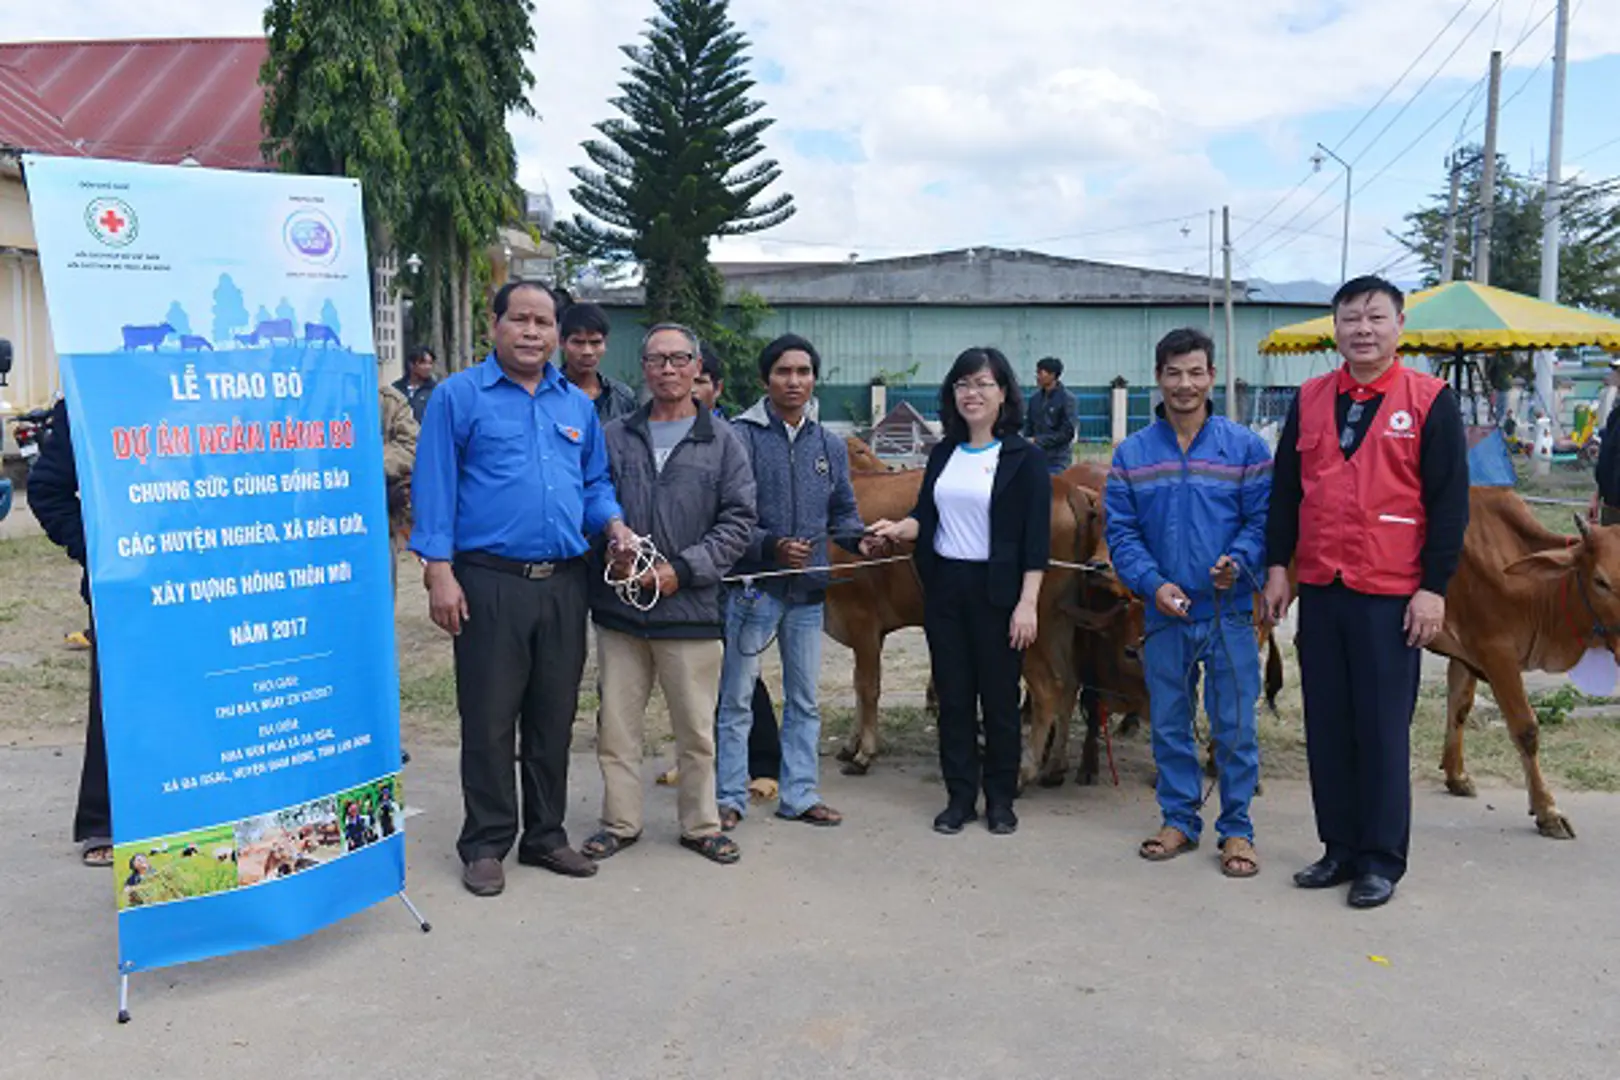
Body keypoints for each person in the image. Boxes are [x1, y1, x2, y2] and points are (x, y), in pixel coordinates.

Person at [410, 280, 637, 897]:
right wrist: (438, 571)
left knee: (553, 717)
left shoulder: (576, 406)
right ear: (496, 325)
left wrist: (613, 524)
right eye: (521, 319)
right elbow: (433, 488)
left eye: (544, 323)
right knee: (488, 718)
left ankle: (545, 836)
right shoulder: (459, 397)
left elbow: (593, 484)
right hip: (489, 581)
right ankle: (486, 842)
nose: (533, 332)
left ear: (557, 334)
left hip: (566, 582)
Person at [1263, 275, 1469, 910]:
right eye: (1350, 318)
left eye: (1376, 317)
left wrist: (1432, 590)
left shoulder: (1429, 399)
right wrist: (1278, 567)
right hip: (1323, 585)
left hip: (1391, 591)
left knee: (1381, 728)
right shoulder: (1312, 397)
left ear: (1399, 326)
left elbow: (1448, 504)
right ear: (1336, 328)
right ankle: (1339, 848)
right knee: (1327, 724)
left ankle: (1381, 859)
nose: (1362, 329)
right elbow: (1286, 491)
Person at [581, 323, 756, 866]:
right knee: (618, 729)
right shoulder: (613, 435)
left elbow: (739, 522)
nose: (668, 369)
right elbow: (593, 499)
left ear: (696, 367)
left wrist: (683, 570)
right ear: (644, 367)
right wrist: (609, 546)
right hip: (621, 611)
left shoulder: (724, 441)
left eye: (679, 359)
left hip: (690, 609)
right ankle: (620, 821)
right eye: (656, 359)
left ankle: (701, 824)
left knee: (696, 731)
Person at [1105, 328, 1272, 878]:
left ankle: (1237, 829)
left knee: (1234, 727)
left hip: (1228, 613)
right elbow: (1123, 534)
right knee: (1170, 724)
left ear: (1212, 377)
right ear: (1159, 377)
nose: (1185, 384)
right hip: (1164, 612)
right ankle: (1178, 818)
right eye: (1174, 373)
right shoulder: (1133, 454)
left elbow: (1261, 521)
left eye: (1196, 372)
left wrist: (1239, 561)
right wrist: (1152, 583)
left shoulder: (1244, 449)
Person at [868, 347, 1050, 835]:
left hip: (1000, 594)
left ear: (1005, 393)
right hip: (946, 589)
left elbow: (1036, 541)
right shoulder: (945, 453)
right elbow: (928, 517)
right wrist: (897, 528)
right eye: (963, 384)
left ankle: (1001, 800)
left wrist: (1027, 603)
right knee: (953, 699)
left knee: (999, 700)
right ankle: (959, 797)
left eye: (983, 384)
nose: (972, 394)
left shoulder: (1024, 458)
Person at [717, 334, 864, 830]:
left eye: (803, 372)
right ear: (765, 380)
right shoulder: (738, 437)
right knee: (737, 696)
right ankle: (728, 797)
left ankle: (799, 794)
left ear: (814, 379)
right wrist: (770, 545)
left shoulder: (829, 445)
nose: (794, 381)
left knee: (804, 699)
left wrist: (864, 541)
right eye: (784, 372)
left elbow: (843, 512)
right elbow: (726, 515)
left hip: (807, 596)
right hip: (753, 588)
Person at [28, 398, 112, 867]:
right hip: (125, 586)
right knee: (114, 703)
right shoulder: (89, 395)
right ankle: (104, 823)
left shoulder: (218, 394)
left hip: (213, 579)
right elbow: (47, 491)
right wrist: (99, 552)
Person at [559, 301, 638, 422]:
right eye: (578, 342)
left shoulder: (622, 397)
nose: (587, 351)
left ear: (605, 343)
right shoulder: (546, 393)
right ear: (562, 343)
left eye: (595, 342)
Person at [379, 382, 419, 599]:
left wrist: (365, 464)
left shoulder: (387, 400)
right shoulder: (300, 397)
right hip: (310, 525)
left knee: (377, 602)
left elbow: (410, 445)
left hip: (376, 522)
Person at [1024, 356, 1076, 474]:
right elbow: (1029, 426)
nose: (1037, 377)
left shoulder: (1067, 399)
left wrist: (1038, 440)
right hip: (1035, 457)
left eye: (1041, 373)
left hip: (1057, 460)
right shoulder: (1034, 399)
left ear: (1052, 375)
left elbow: (1067, 433)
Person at [1591, 359, 1620, 525]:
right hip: (1610, 506)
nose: (1616, 376)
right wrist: (1598, 494)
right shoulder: (1615, 416)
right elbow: (1607, 460)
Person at [393, 345, 438, 423]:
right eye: (423, 363)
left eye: (430, 363)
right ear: (411, 365)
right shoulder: (396, 389)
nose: (428, 367)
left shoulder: (435, 390)